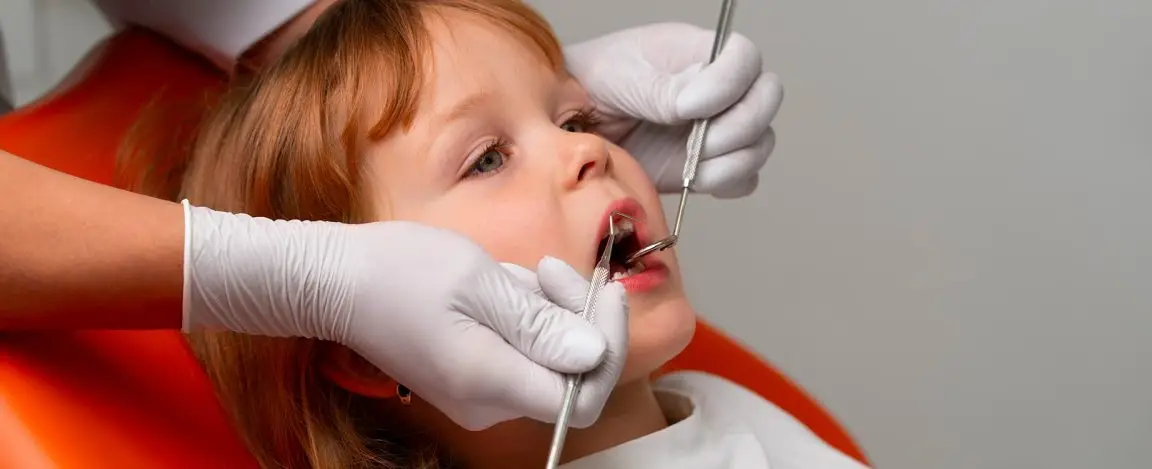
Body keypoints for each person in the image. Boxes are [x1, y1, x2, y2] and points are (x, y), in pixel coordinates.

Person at [117, 1, 853, 468]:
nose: (587, 150)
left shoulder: (726, 408)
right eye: (489, 158)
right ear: (366, 348)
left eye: (574, 118)